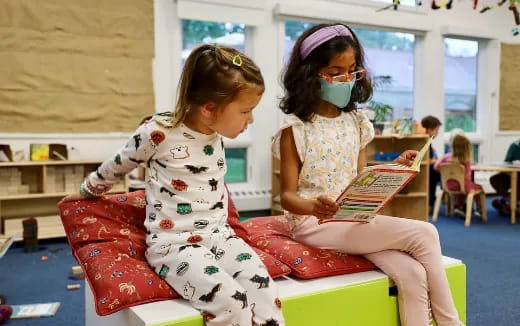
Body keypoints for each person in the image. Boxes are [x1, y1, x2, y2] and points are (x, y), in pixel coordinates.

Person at [62, 45, 285, 326]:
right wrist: (87, 191)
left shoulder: (215, 132)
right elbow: (118, 164)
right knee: (232, 304)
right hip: (175, 246)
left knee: (266, 291)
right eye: (245, 111)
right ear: (208, 109)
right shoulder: (158, 132)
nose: (250, 120)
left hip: (221, 237)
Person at [274, 23, 463, 326]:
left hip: (354, 219)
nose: (346, 80)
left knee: (413, 274)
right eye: (335, 72)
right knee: (426, 232)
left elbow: (359, 175)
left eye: (352, 71)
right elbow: (287, 196)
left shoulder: (357, 122)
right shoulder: (294, 129)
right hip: (314, 224)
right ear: (309, 74)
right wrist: (314, 207)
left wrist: (394, 167)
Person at [434, 134, 484, 216]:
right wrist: (467, 189)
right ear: (466, 148)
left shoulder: (446, 157)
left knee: (460, 188)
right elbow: (467, 178)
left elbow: (436, 167)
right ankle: (479, 210)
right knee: (478, 187)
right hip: (462, 186)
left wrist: (446, 171)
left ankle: (458, 207)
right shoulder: (465, 161)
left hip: (447, 186)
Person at [490, 139, 520, 215]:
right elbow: (507, 163)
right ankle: (509, 201)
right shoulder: (515, 145)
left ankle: (511, 204)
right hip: (511, 174)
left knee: (517, 180)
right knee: (495, 180)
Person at [421, 115, 442, 214]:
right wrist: (434, 161)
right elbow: (425, 160)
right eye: (436, 130)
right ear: (429, 130)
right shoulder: (425, 141)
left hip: (428, 171)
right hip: (426, 172)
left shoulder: (428, 142)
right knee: (435, 177)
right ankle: (429, 205)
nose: (437, 133)